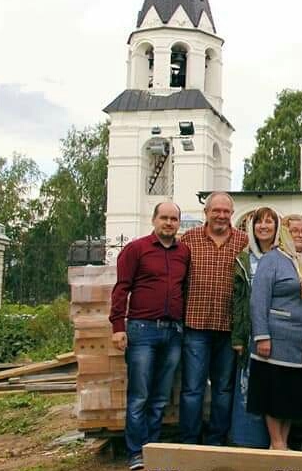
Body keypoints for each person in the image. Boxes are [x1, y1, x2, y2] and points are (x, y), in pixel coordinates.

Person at [110, 202, 190, 471]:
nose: (169, 223)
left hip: (174, 331)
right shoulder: (136, 249)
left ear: (179, 223)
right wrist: (117, 327)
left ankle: (152, 448)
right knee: (139, 395)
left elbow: (185, 289)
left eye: (174, 219)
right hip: (142, 330)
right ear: (154, 220)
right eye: (164, 218)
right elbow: (121, 289)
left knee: (160, 396)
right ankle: (135, 453)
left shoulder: (184, 253)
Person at [247, 213, 302, 450]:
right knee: (275, 395)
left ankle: (282, 441)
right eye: (295, 231)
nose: (300, 235)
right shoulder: (272, 260)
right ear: (284, 234)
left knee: (292, 397)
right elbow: (258, 300)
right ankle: (277, 443)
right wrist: (262, 336)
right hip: (277, 342)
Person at [180, 192, 249, 446]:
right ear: (206, 212)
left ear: (231, 214)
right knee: (193, 389)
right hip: (195, 325)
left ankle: (217, 441)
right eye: (216, 211)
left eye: (226, 211)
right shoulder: (189, 239)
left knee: (223, 389)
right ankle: (189, 441)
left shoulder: (243, 241)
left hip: (228, 327)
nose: (221, 215)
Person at [228, 207, 279, 449]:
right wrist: (238, 337)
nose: (264, 227)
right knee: (249, 385)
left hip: (280, 333)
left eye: (270, 222)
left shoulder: (286, 256)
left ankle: (277, 440)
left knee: (275, 384)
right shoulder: (245, 258)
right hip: (251, 332)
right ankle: (248, 440)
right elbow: (238, 300)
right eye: (259, 223)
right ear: (252, 227)